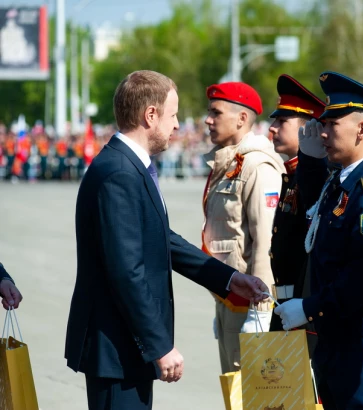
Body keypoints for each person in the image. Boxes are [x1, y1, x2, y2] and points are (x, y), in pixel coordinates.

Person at [65, 70, 268, 410]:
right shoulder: (118, 172)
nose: (177, 126)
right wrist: (158, 345)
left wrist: (230, 279)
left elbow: (163, 240)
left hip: (126, 346)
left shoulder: (129, 165)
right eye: (173, 116)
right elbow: (125, 270)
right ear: (150, 116)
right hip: (117, 347)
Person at [275, 71, 363, 409]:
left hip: (360, 344)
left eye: (333, 123)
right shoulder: (342, 182)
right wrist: (312, 162)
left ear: (362, 130)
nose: (324, 131)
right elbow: (313, 217)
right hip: (334, 337)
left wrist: (308, 307)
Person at [203, 82, 285, 373]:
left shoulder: (257, 167)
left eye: (216, 112)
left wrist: (261, 312)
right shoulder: (227, 164)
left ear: (241, 119)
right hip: (228, 299)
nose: (208, 120)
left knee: (251, 394)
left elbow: (265, 244)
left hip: (249, 304)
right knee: (233, 392)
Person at [267, 74, 325, 352]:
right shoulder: (291, 175)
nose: (272, 129)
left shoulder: (314, 178)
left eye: (282, 122)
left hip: (303, 309)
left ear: (307, 128)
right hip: (284, 307)